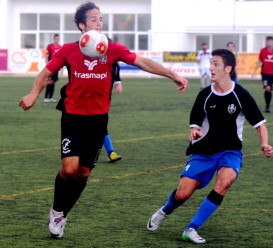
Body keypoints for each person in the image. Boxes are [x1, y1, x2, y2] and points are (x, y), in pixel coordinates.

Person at [19, 1, 187, 239]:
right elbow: (46, 73)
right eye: (94, 19)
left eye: (100, 19)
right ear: (81, 25)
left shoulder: (112, 48)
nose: (99, 23)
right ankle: (57, 209)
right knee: (69, 170)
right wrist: (34, 93)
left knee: (84, 173)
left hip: (97, 120)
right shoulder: (68, 50)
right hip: (73, 116)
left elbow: (142, 62)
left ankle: (62, 214)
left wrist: (173, 74)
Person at [147, 49, 273, 244]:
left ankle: (192, 228)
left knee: (224, 183)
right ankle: (165, 210)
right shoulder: (205, 95)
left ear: (228, 69)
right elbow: (195, 122)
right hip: (203, 152)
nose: (211, 68)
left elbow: (260, 124)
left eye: (215, 64)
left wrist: (264, 143)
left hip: (230, 151)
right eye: (211, 64)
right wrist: (195, 131)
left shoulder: (240, 94)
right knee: (183, 194)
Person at [252, 36, 273, 113]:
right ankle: (267, 107)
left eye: (271, 41)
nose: (270, 43)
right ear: (266, 42)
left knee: (269, 90)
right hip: (264, 73)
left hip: (272, 74)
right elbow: (259, 61)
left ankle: (267, 105)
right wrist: (255, 71)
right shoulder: (262, 51)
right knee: (267, 88)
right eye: (268, 41)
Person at [105, 61, 122, 163]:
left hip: (104, 100)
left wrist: (118, 83)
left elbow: (116, 77)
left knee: (102, 126)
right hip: (86, 98)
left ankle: (111, 152)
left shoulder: (115, 63)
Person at [43, 34, 62, 103]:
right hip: (51, 66)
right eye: (56, 38)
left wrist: (61, 69)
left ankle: (50, 97)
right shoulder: (50, 46)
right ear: (54, 39)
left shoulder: (60, 47)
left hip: (57, 67)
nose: (57, 39)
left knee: (53, 82)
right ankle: (46, 97)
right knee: (49, 82)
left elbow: (61, 58)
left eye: (58, 38)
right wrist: (47, 64)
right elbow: (47, 55)